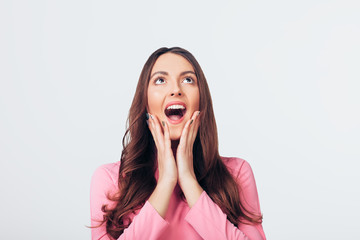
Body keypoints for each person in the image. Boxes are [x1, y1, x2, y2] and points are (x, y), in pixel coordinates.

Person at [90, 47, 266, 240]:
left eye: (188, 80)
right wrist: (166, 182)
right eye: (160, 80)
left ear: (201, 100)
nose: (176, 90)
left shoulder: (237, 173)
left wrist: (189, 181)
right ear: (145, 102)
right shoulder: (110, 179)